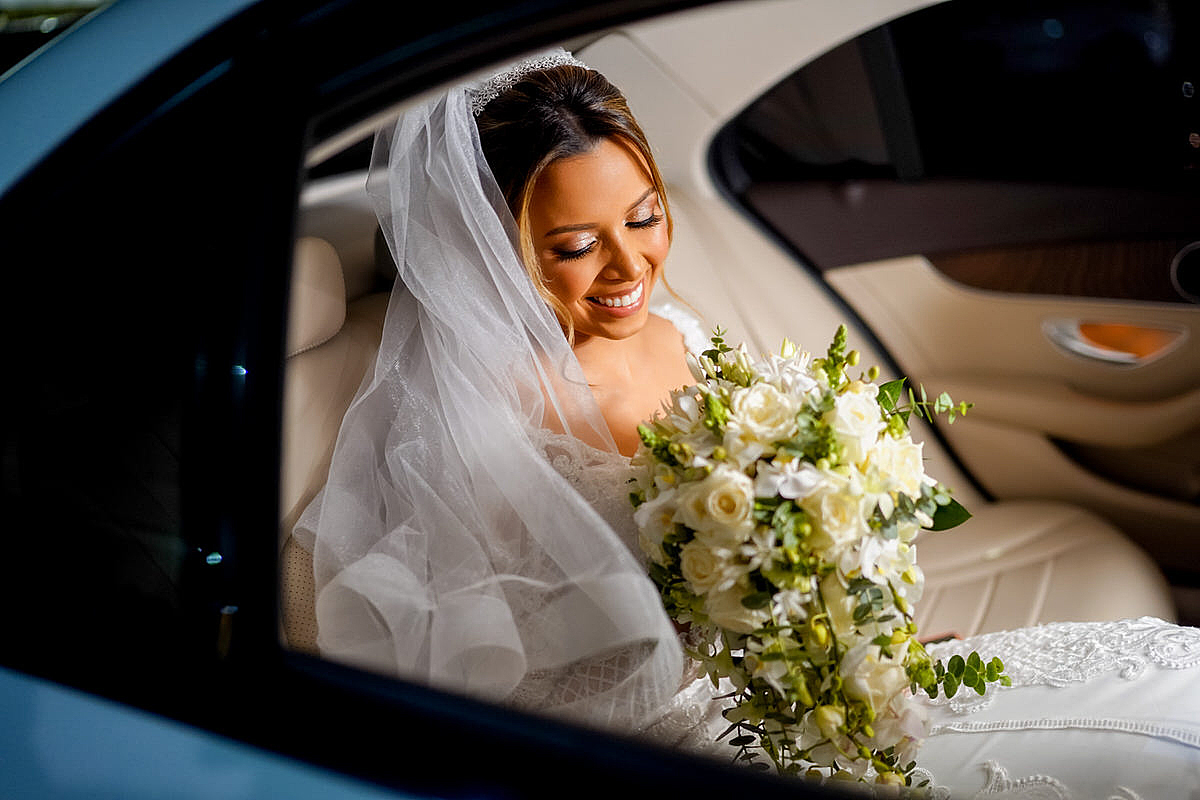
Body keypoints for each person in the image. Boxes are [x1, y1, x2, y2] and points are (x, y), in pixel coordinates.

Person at [297, 49, 1200, 796]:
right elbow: (528, 671)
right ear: (495, 247)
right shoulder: (492, 416)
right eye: (575, 246)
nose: (629, 266)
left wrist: (857, 652)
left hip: (803, 690)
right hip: (688, 742)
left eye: (644, 218)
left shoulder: (674, 330)